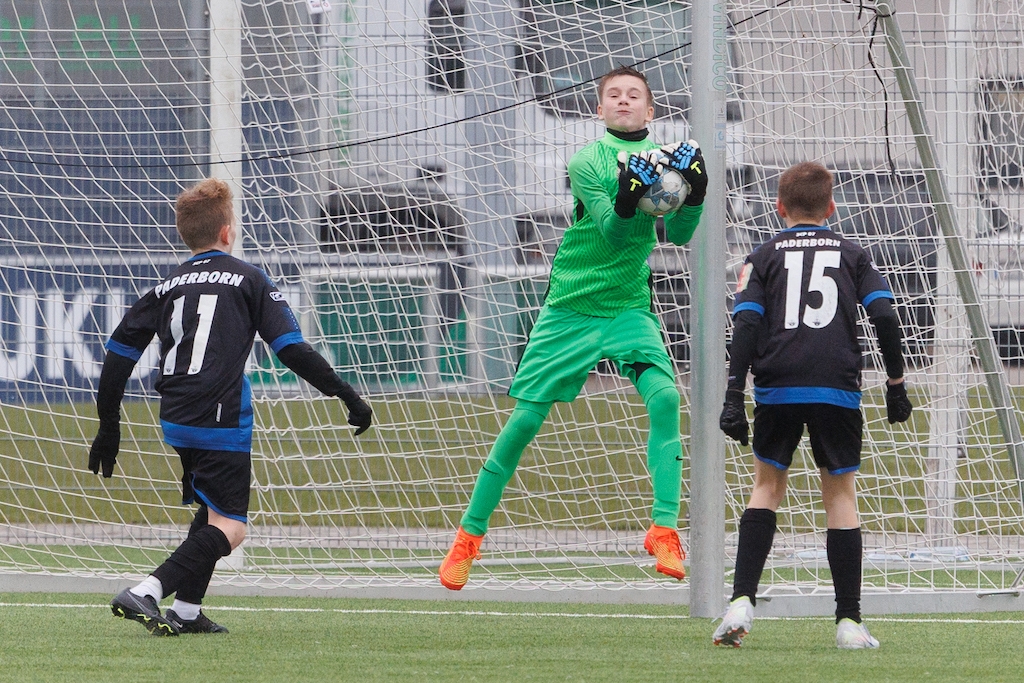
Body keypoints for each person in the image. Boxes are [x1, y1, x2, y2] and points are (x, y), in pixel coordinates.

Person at [438, 65, 708, 590]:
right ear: (599, 109)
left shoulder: (666, 161)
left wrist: (693, 195)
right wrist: (629, 196)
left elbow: (677, 234)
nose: (624, 101)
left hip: (628, 307)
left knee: (665, 397)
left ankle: (664, 530)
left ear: (651, 110)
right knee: (524, 422)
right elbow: (612, 230)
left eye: (634, 95)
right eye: (614, 95)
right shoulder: (588, 160)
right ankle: (467, 538)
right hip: (570, 306)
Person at [88, 178, 373, 635]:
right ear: (227, 232)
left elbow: (119, 355)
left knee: (210, 510)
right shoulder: (248, 278)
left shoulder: (167, 285)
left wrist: (109, 426)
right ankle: (146, 592)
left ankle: (186, 611)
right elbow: (291, 350)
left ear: (187, 235)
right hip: (219, 415)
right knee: (232, 528)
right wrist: (347, 395)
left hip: (176, 416)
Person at [713, 161, 913, 649]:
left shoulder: (762, 256)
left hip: (777, 386)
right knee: (840, 496)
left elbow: (746, 325)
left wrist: (734, 395)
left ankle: (741, 601)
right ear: (832, 207)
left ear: (779, 207)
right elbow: (885, 317)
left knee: (766, 487)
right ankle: (848, 623)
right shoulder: (853, 253)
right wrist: (896, 383)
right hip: (835, 387)